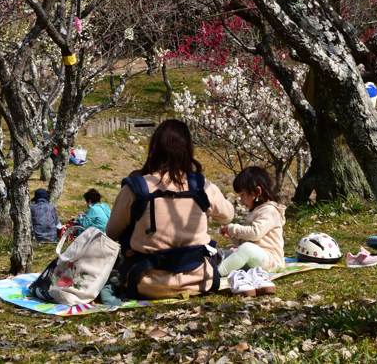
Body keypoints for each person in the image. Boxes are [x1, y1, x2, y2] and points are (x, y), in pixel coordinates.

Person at [105, 119, 234, 299]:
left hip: (147, 283)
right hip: (201, 280)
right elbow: (228, 216)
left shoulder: (136, 187)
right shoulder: (202, 186)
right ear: (188, 150)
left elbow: (111, 233)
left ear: (154, 149)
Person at [218, 166, 287, 283]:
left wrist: (232, 229)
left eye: (242, 195)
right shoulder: (255, 211)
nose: (241, 200)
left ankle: (215, 274)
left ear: (257, 192)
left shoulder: (270, 211)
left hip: (271, 261)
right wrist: (234, 239)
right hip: (255, 260)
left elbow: (255, 234)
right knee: (220, 254)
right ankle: (207, 266)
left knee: (247, 249)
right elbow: (248, 240)